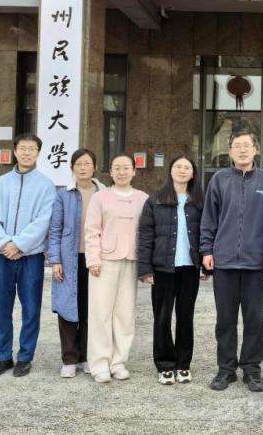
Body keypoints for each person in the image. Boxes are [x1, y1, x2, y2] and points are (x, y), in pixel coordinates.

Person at [200, 129, 263, 393]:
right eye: (237, 146)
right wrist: (207, 250)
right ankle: (226, 369)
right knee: (225, 320)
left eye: (247, 145)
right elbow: (208, 218)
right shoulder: (219, 180)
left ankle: (252, 369)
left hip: (255, 263)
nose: (242, 150)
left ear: (256, 150)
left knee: (254, 319)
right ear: (230, 151)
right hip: (224, 262)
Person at [0, 132, 57, 378]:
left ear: (38, 153)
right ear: (15, 151)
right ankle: (2, 356)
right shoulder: (0, 183)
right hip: (1, 256)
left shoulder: (46, 185)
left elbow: (44, 220)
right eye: (22, 148)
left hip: (31, 257)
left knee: (31, 308)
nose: (27, 153)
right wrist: (5, 244)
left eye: (32, 149)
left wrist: (20, 244)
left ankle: (25, 357)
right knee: (1, 308)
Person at [138, 155, 206, 386]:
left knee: (186, 317)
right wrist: (145, 268)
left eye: (187, 167)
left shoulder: (199, 201)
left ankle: (183, 364)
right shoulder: (155, 200)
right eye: (178, 166)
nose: (182, 170)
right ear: (170, 170)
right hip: (162, 269)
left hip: (189, 268)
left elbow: (206, 233)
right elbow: (145, 236)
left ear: (193, 173)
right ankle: (165, 364)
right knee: (162, 317)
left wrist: (205, 265)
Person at [84, 153, 149, 384]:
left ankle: (118, 362)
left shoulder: (143, 198)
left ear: (134, 171)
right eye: (117, 168)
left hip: (131, 260)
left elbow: (148, 232)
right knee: (100, 313)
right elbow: (92, 230)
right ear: (110, 172)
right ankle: (99, 363)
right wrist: (93, 259)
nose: (122, 172)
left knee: (125, 314)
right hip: (105, 261)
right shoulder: (100, 197)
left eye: (126, 168)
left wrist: (146, 265)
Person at [48, 149, 106, 378]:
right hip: (69, 259)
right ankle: (70, 358)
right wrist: (55, 260)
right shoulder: (63, 195)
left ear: (95, 167)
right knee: (67, 307)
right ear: (72, 168)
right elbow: (55, 230)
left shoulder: (104, 193)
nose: (83, 167)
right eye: (78, 164)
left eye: (87, 163)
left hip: (96, 259)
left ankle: (86, 356)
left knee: (91, 308)